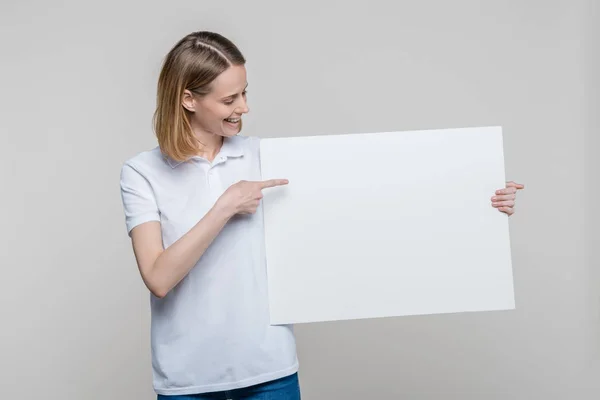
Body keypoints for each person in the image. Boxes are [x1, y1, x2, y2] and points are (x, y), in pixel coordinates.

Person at [119, 31, 525, 399]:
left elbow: (374, 202)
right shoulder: (142, 173)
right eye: (229, 99)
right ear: (189, 99)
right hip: (187, 379)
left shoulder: (267, 158)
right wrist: (225, 207)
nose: (244, 107)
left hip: (269, 371)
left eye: (244, 93)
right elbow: (158, 277)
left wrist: (478, 199)